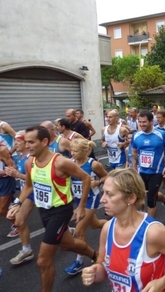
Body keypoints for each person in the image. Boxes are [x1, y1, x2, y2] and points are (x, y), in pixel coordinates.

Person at [7, 125, 98, 292]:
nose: (27, 146)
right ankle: (95, 255)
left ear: (44, 141)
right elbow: (28, 186)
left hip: (60, 211)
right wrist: (17, 204)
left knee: (43, 261)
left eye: (31, 142)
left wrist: (81, 207)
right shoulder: (30, 162)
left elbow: (85, 178)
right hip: (44, 211)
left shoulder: (61, 162)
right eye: (26, 142)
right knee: (68, 244)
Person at [81, 168, 165, 291]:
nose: (102, 199)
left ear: (131, 198)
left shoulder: (152, 233)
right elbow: (103, 267)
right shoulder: (107, 229)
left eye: (109, 194)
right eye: (103, 193)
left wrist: (163, 282)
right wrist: (93, 272)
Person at [64, 138, 108, 275]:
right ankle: (113, 225)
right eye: (71, 150)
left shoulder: (93, 164)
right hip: (78, 198)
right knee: (95, 224)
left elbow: (107, 176)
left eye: (75, 151)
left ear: (84, 151)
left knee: (79, 229)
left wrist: (98, 182)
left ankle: (80, 261)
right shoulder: (70, 163)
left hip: (91, 198)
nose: (72, 153)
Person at [131, 111, 165, 218]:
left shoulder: (161, 134)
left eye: (144, 122)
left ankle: (148, 225)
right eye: (140, 122)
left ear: (151, 121)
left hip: (157, 172)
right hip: (142, 171)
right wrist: (134, 168)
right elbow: (134, 152)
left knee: (151, 200)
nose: (142, 124)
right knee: (144, 194)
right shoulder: (136, 135)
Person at [5, 131, 35, 263]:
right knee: (18, 221)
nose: (15, 144)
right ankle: (26, 249)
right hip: (26, 192)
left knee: (51, 221)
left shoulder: (30, 159)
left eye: (18, 141)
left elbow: (34, 180)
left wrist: (17, 174)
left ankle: (66, 230)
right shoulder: (19, 156)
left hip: (35, 191)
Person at [0, 142, 17, 238]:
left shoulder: (2, 150)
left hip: (5, 182)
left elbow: (13, 167)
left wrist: (3, 173)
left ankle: (19, 225)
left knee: (2, 210)